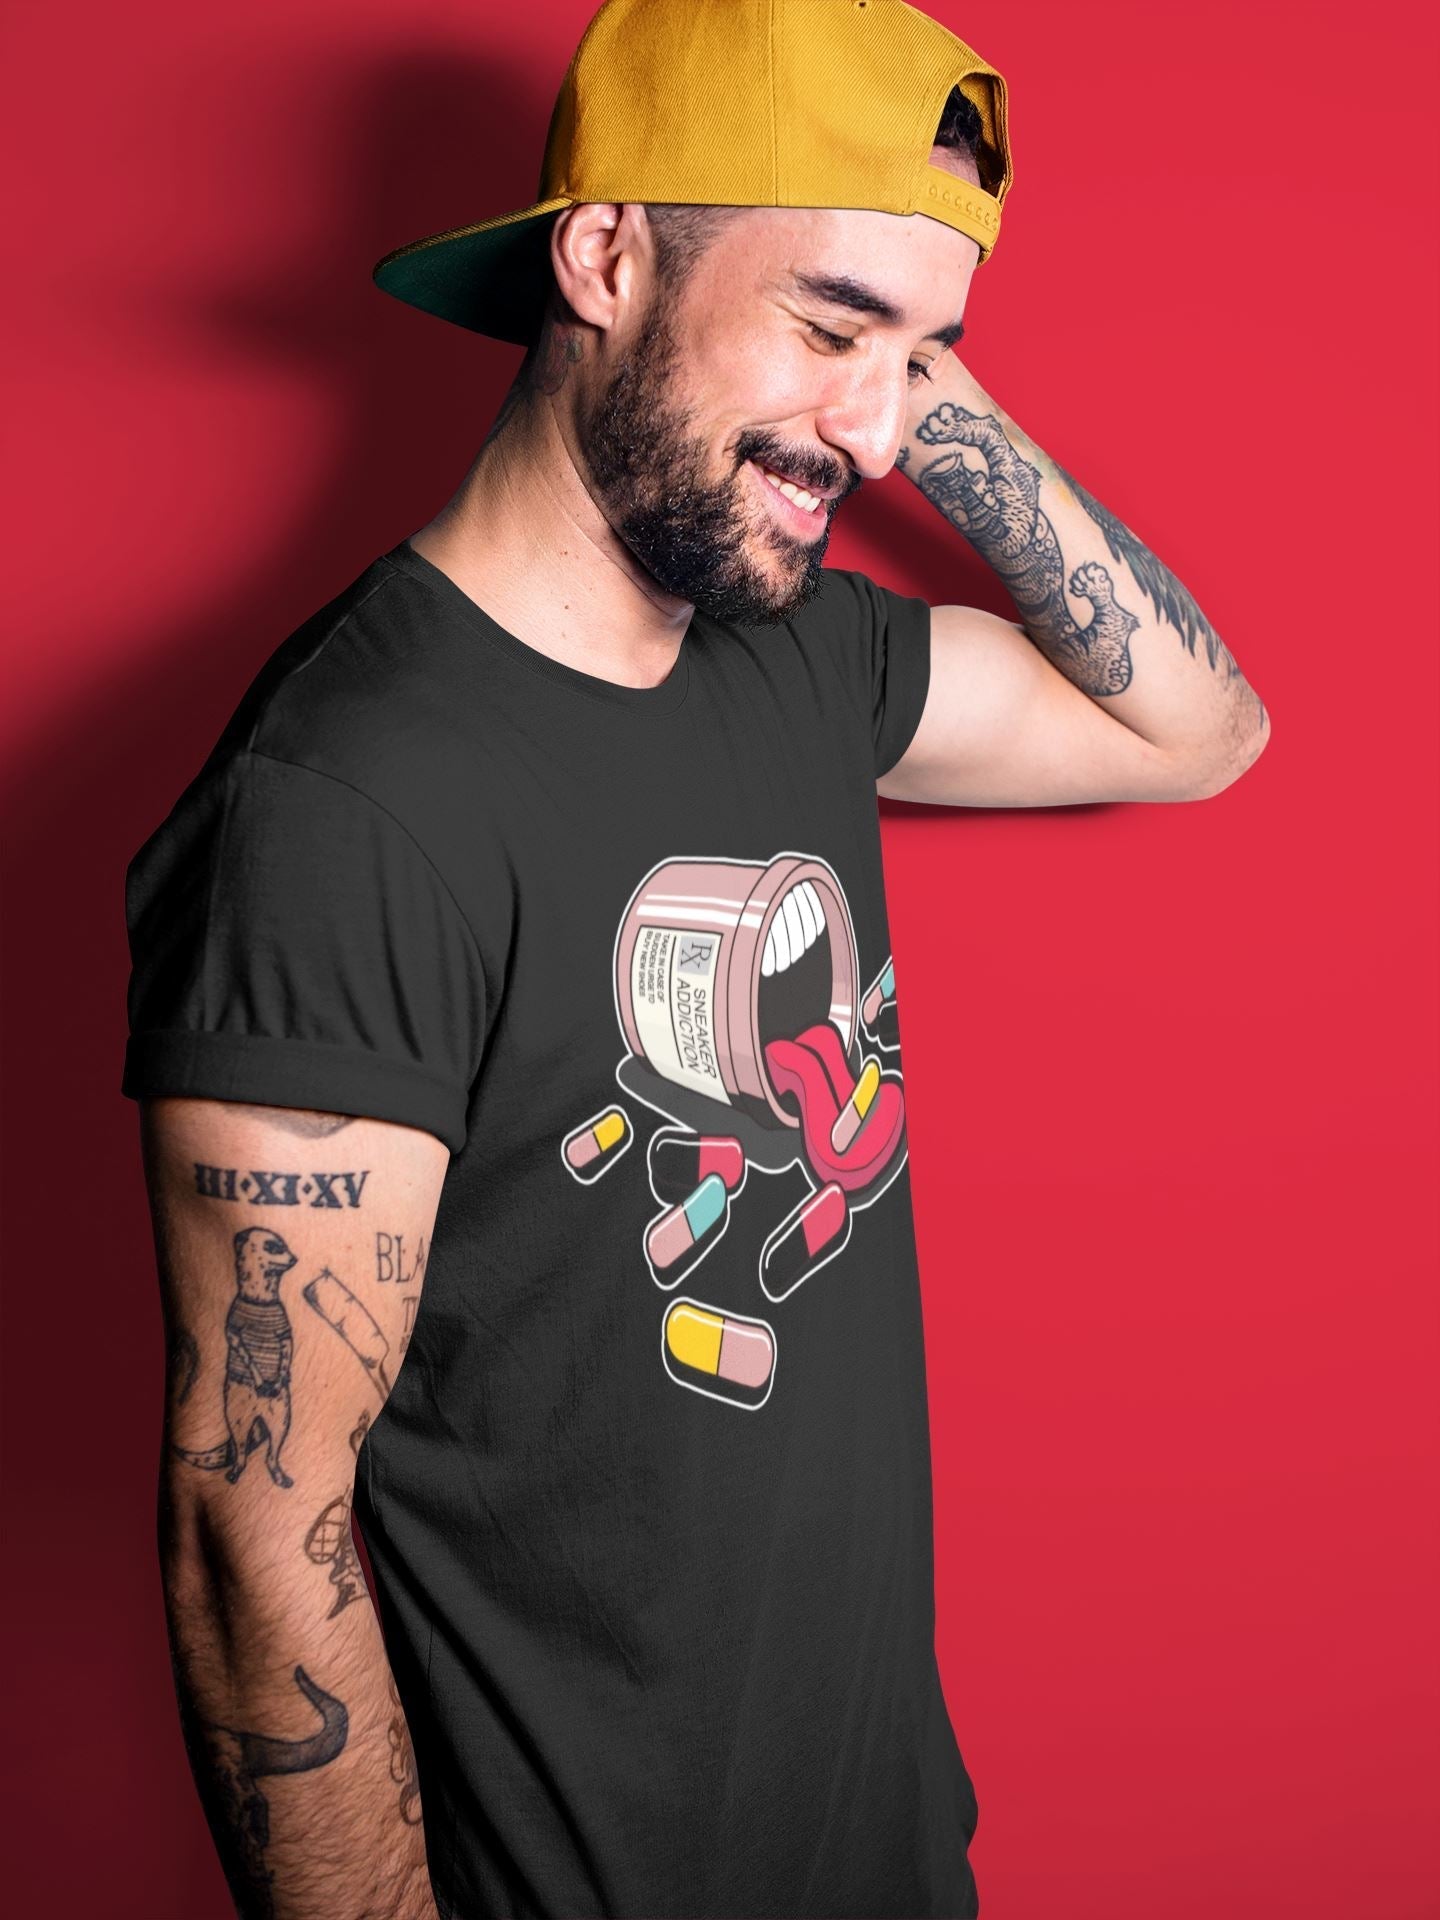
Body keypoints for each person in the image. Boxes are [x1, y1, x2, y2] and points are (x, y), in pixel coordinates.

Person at [121, 0, 1270, 1915]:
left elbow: (1202, 732)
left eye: (925, 356)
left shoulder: (795, 654)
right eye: (827, 325)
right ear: (602, 257)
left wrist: (896, 363)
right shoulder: (348, 804)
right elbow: (257, 1541)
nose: (878, 432)